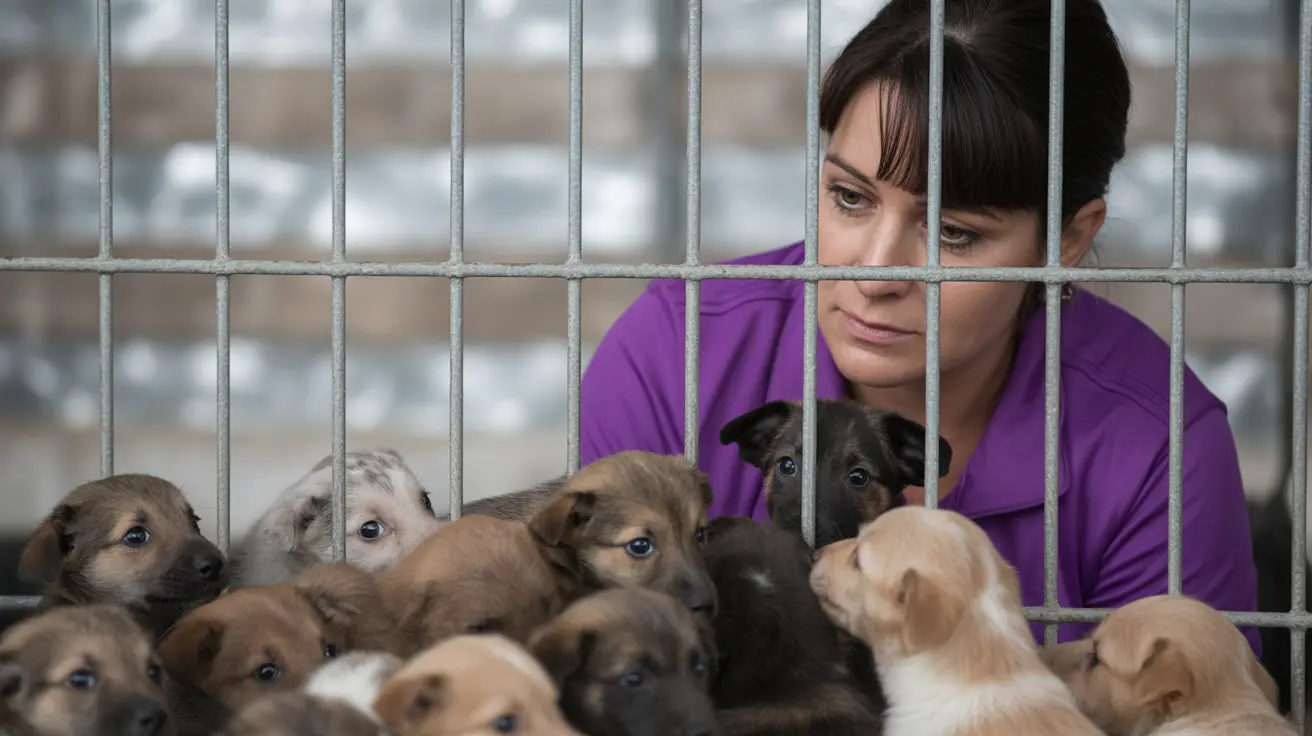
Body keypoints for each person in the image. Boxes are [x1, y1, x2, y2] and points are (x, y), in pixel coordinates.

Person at [578, 0, 1259, 651]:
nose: (874, 274)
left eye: (955, 233)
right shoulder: (673, 353)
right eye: (849, 197)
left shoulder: (1157, 444)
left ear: (1067, 240)